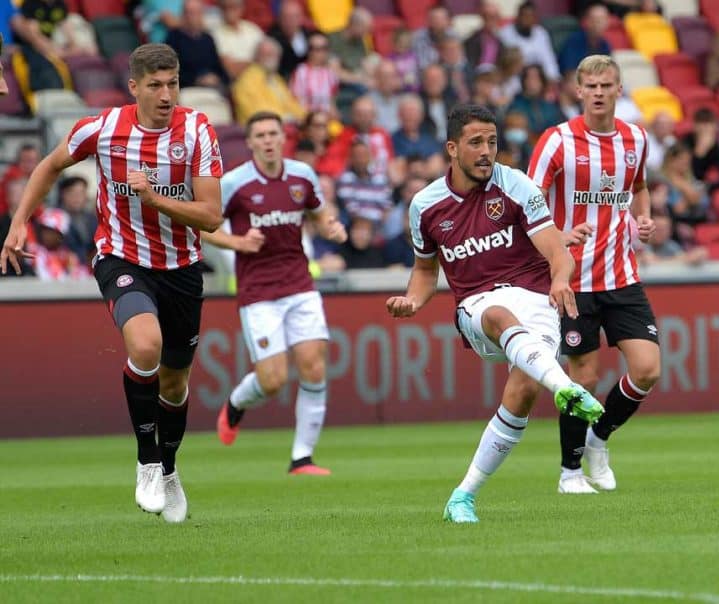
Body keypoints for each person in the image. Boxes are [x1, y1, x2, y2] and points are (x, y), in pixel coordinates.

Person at [1, 43, 225, 523]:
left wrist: (156, 200)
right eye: (155, 86)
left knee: (175, 382)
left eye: (173, 84)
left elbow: (210, 215)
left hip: (182, 268)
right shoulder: (104, 128)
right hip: (121, 257)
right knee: (145, 346)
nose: (166, 96)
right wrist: (20, 220)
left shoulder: (198, 130)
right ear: (134, 87)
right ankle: (147, 461)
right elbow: (48, 166)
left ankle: (168, 468)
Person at [386, 103, 604, 523]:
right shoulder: (425, 206)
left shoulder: (517, 186)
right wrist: (412, 301)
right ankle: (567, 387)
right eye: (475, 143)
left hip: (537, 300)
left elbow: (557, 251)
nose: (486, 151)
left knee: (522, 392)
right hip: (479, 305)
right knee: (501, 314)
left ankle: (462, 497)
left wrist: (560, 279)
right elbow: (425, 272)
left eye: (492, 141)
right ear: (452, 148)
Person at [529, 55, 660, 495]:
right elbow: (527, 202)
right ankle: (569, 472)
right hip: (574, 280)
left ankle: (598, 438)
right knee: (583, 379)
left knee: (647, 369)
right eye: (592, 86)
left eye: (607, 85)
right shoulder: (557, 141)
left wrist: (644, 218)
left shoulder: (636, 139)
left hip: (622, 275)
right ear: (578, 91)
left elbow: (638, 187)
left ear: (620, 90)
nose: (600, 92)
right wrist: (560, 234)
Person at [205, 111, 347, 474]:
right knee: (272, 379)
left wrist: (330, 225)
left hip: (299, 283)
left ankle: (302, 458)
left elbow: (317, 210)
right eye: (260, 135)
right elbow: (200, 226)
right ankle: (236, 405)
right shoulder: (235, 182)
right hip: (258, 291)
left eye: (273, 133)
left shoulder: (302, 175)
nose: (268, 140)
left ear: (282, 139)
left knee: (314, 367)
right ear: (250, 142)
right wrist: (237, 241)